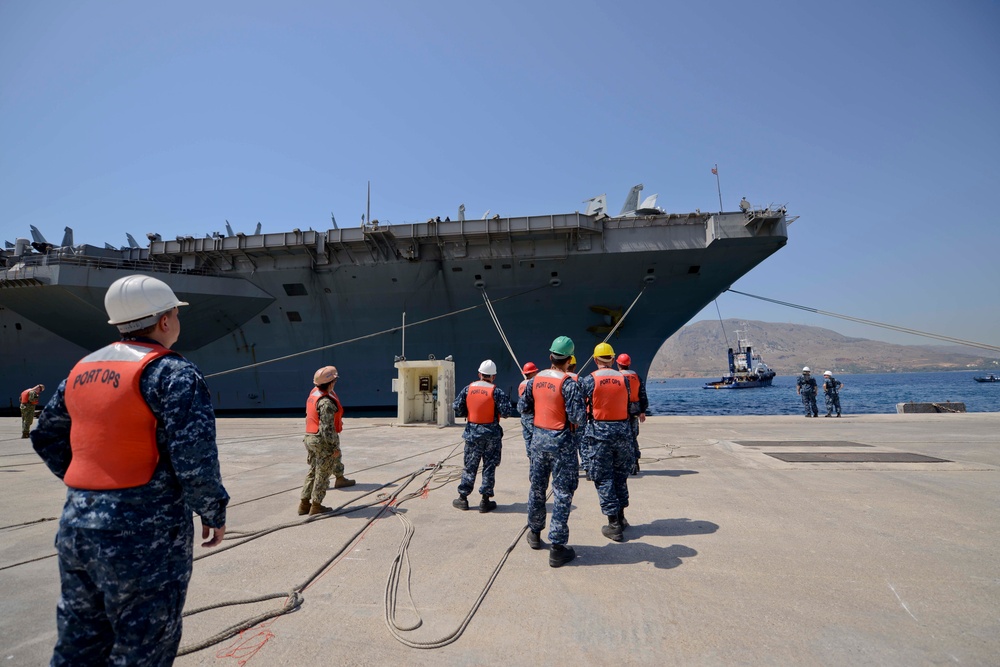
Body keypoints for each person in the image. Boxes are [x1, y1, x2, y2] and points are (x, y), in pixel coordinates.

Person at [30, 274, 229, 666]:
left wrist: (94, 487)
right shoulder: (174, 373)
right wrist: (212, 509)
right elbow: (194, 456)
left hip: (77, 527)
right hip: (143, 537)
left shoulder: (80, 371)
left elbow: (46, 436)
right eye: (175, 313)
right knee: (143, 648)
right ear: (165, 320)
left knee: (78, 643)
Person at [518, 336, 586, 567]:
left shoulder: (534, 381)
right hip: (562, 444)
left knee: (537, 488)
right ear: (569, 359)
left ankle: (535, 534)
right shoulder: (569, 383)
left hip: (538, 440)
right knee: (562, 492)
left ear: (550, 356)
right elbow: (578, 417)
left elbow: (523, 407)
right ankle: (557, 547)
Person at [580, 343, 633, 542]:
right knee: (620, 475)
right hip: (622, 432)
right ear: (612, 359)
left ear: (595, 360)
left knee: (603, 477)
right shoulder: (624, 379)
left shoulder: (589, 380)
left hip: (599, 434)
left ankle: (613, 525)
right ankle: (621, 517)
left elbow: (580, 408)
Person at [451, 359, 512, 513]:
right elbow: (506, 412)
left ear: (479, 374)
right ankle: (485, 500)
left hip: (472, 434)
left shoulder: (467, 389)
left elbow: (457, 407)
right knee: (489, 466)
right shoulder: (497, 392)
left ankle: (463, 498)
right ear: (493, 376)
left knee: (470, 466)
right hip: (492, 434)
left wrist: (468, 412)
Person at [299, 365, 355, 515]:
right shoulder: (326, 403)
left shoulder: (313, 396)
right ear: (330, 383)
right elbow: (327, 429)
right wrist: (334, 448)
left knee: (312, 471)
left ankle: (304, 504)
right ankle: (316, 506)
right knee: (322, 474)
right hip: (321, 441)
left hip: (309, 438)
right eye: (334, 381)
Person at [616, 353, 648, 474]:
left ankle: (623, 464)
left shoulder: (617, 378)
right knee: (633, 438)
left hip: (620, 412)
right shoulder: (637, 377)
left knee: (621, 440)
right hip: (634, 411)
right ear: (629, 364)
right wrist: (643, 411)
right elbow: (642, 395)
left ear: (618, 364)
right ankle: (635, 463)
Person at [518, 362, 539, 457]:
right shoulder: (534, 384)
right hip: (532, 416)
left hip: (523, 417)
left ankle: (531, 458)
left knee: (528, 439)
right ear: (532, 373)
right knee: (536, 439)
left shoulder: (522, 384)